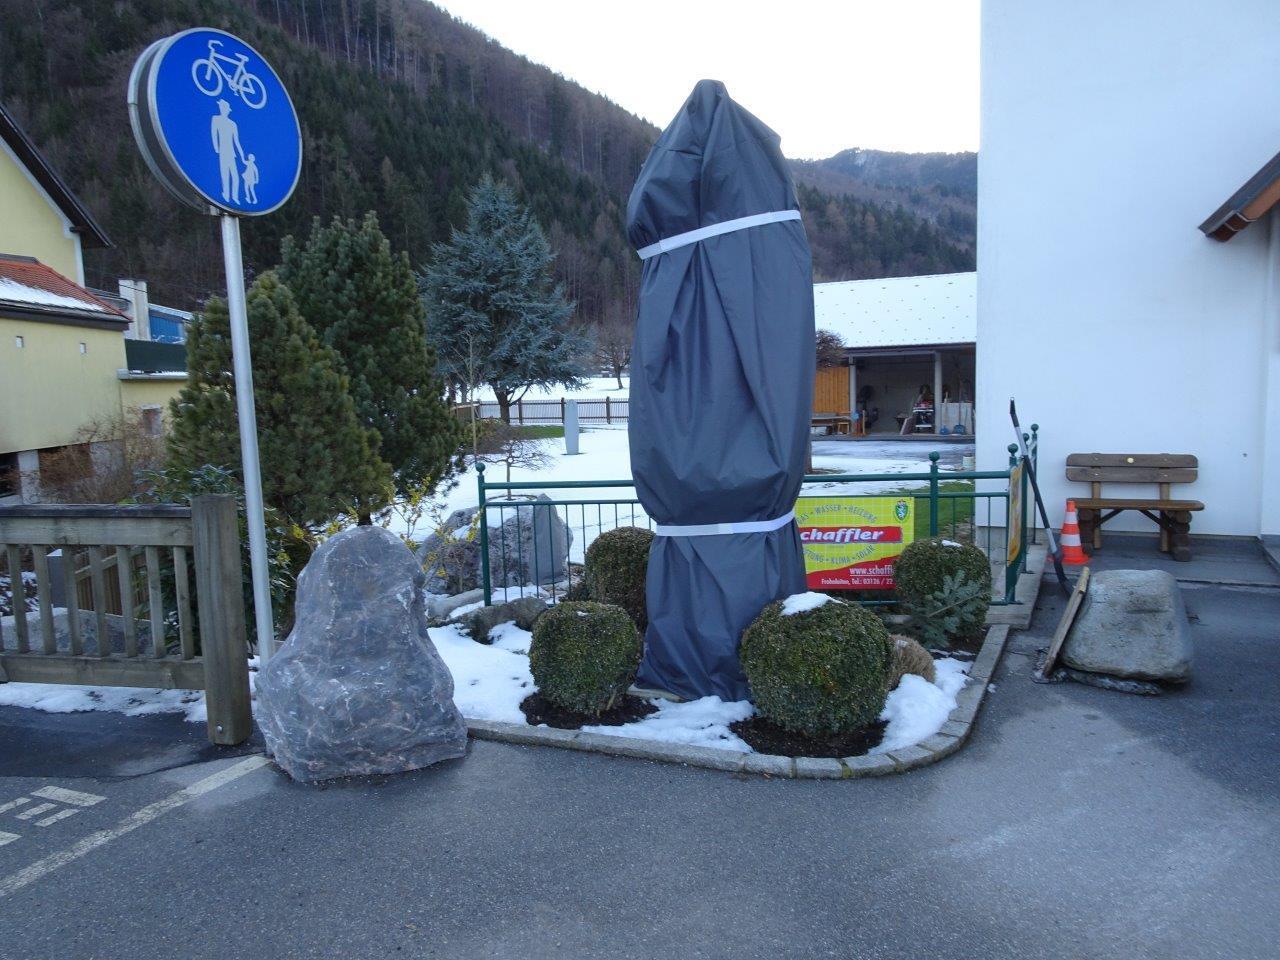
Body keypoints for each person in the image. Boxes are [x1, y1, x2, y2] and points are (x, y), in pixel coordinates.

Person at [210, 100, 245, 203]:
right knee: (225, 175)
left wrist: (242, 156)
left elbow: (236, 141)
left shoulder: (232, 124)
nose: (223, 109)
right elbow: (214, 134)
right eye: (221, 107)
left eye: (224, 108)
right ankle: (225, 195)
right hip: (223, 152)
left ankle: (234, 197)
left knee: (235, 177)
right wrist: (216, 148)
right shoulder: (216, 119)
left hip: (231, 153)